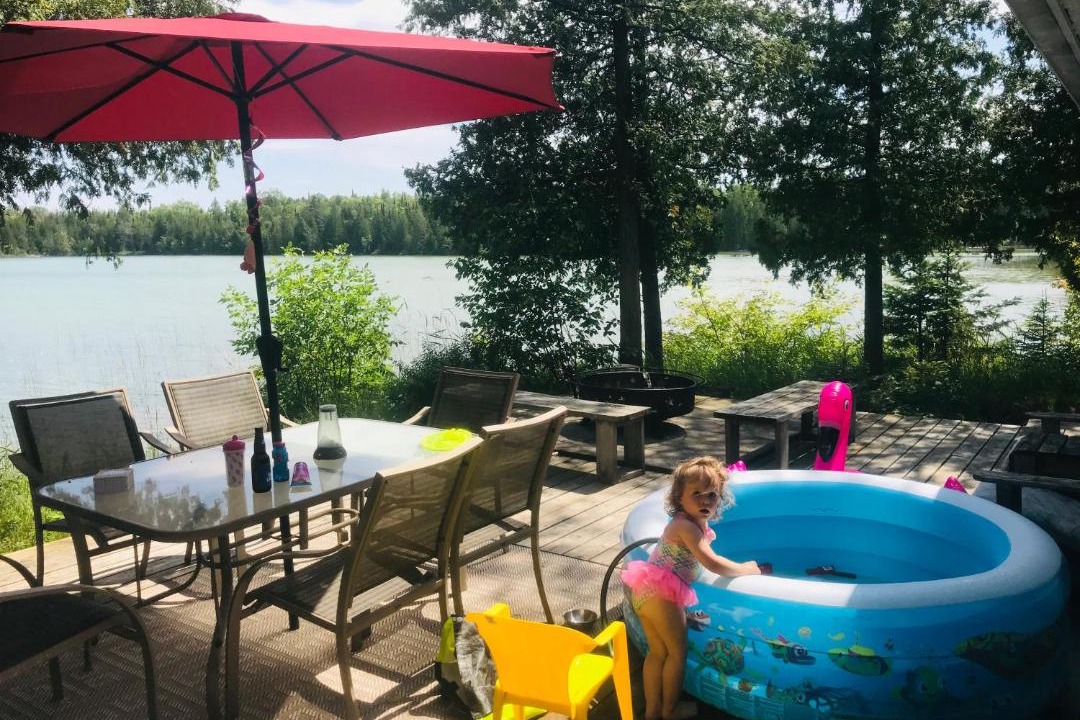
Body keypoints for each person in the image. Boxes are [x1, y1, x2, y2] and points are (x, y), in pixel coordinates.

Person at [622, 456, 761, 720]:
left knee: (657, 652)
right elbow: (713, 563)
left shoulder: (689, 523)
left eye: (712, 495)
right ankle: (670, 710)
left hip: (645, 590)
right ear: (679, 498)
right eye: (696, 494)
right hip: (663, 594)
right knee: (676, 652)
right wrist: (746, 569)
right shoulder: (687, 527)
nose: (705, 501)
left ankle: (652, 711)